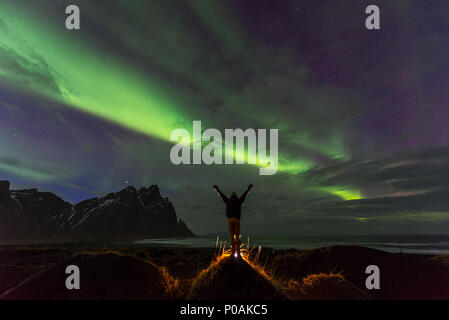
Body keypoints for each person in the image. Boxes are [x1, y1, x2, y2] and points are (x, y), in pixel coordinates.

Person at [213, 184, 253, 257]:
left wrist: (217, 190)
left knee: (232, 237)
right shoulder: (239, 201)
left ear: (231, 196)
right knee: (237, 237)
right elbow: (244, 196)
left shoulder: (228, 201)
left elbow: (222, 196)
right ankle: (238, 253)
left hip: (230, 220)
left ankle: (232, 253)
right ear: (235, 196)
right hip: (237, 220)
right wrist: (249, 189)